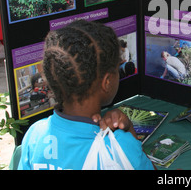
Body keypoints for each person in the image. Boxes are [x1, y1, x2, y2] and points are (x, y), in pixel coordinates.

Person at [18, 20, 154, 170]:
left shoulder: (35, 134)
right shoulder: (119, 143)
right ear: (107, 82)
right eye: (116, 69)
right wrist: (129, 130)